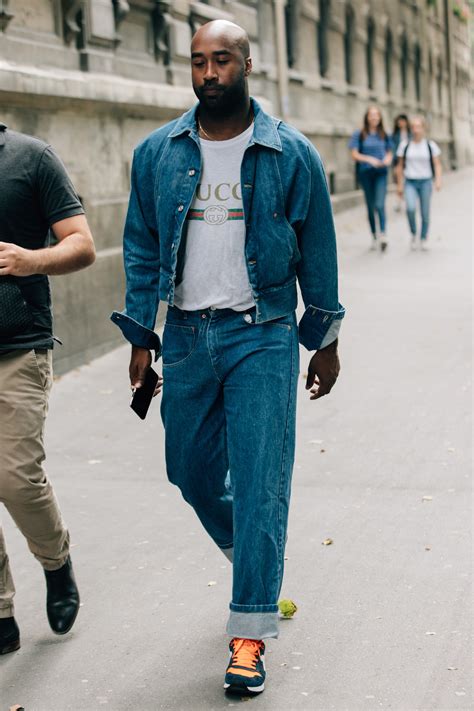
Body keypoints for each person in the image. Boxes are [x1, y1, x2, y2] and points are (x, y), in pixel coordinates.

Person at [112, 19, 344, 696]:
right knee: (186, 467)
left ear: (248, 64)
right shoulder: (158, 152)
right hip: (185, 335)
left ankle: (248, 635)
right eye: (198, 62)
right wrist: (140, 337)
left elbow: (318, 250)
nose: (209, 73)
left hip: (262, 332)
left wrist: (324, 337)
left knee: (261, 478)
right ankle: (255, 555)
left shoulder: (288, 153)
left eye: (222, 60)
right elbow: (142, 247)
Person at [0, 123, 96, 654]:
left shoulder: (31, 158)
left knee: (14, 476)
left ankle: (56, 563)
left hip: (18, 345)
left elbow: (82, 245)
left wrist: (29, 259)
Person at [349, 106, 393, 251]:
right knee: (370, 206)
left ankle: (383, 235)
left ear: (380, 118)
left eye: (377, 115)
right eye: (371, 115)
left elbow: (389, 152)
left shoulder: (384, 134)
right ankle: (374, 235)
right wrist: (370, 159)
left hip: (381, 172)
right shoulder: (359, 134)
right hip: (366, 174)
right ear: (367, 117)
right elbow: (354, 154)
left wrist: (386, 160)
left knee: (380, 204)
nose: (374, 118)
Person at [396, 115, 442, 251]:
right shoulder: (405, 145)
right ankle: (413, 233)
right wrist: (399, 185)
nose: (416, 130)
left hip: (425, 182)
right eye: (414, 127)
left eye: (418, 127)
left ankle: (423, 238)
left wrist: (438, 180)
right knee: (410, 208)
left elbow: (437, 164)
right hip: (410, 181)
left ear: (423, 128)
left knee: (425, 212)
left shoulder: (430, 145)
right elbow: (399, 166)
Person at [391, 113, 410, 212]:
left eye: (403, 121)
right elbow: (393, 149)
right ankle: (398, 202)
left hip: (409, 162)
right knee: (398, 183)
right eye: (399, 121)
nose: (401, 123)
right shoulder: (395, 135)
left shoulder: (410, 134)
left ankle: (407, 200)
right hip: (398, 161)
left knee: (407, 182)